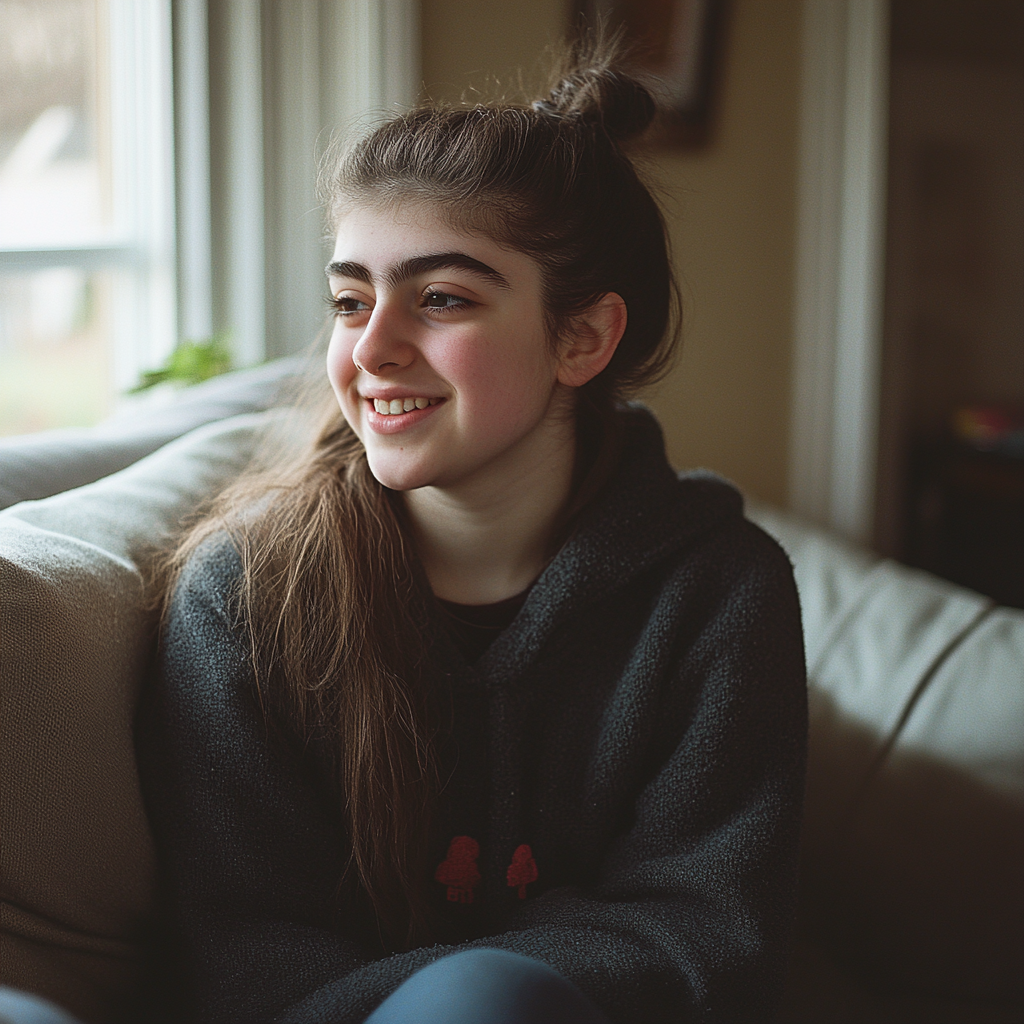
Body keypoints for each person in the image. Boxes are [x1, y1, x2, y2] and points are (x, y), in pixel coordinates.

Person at [137, 38, 807, 1024]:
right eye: (350, 299)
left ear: (580, 337)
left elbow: (708, 937)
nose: (371, 348)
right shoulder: (244, 596)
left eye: (440, 297)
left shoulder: (718, 591)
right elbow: (245, 963)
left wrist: (489, 992)